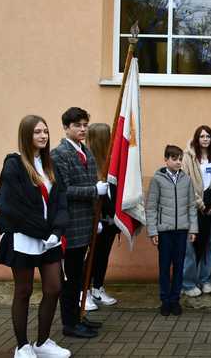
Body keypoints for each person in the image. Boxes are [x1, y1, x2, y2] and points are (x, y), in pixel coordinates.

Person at [0, 115, 71, 358]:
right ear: (27, 134)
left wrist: (57, 231)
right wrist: (43, 231)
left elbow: (60, 202)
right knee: (23, 291)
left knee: (53, 287)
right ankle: (22, 346)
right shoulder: (14, 165)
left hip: (49, 238)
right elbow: (11, 205)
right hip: (24, 237)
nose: (43, 136)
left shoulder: (51, 165)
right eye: (37, 132)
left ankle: (43, 342)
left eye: (45, 132)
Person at [51, 107, 106, 338]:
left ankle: (79, 315)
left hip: (87, 224)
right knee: (71, 278)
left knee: (82, 275)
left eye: (85, 125)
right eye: (77, 125)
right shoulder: (58, 154)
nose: (82, 129)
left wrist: (98, 218)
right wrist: (94, 190)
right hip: (71, 227)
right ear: (66, 128)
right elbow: (64, 190)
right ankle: (70, 324)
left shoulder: (86, 151)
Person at [146, 145, 198, 317]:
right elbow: (151, 207)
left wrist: (193, 229)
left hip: (181, 230)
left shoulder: (186, 180)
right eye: (174, 158)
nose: (178, 162)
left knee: (179, 265)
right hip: (164, 231)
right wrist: (153, 231)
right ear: (166, 160)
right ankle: (165, 300)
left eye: (180, 158)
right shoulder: (157, 179)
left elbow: (191, 206)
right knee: (164, 266)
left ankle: (175, 300)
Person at [181, 125, 211, 297]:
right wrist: (199, 203)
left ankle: (205, 280)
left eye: (208, 136)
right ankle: (188, 283)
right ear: (196, 139)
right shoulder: (188, 157)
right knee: (191, 245)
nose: (205, 139)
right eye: (201, 136)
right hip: (193, 208)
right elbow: (186, 181)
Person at [86, 123, 119, 308]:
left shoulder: (111, 161)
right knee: (90, 256)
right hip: (94, 221)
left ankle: (98, 287)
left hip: (109, 221)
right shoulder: (89, 162)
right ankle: (86, 291)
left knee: (103, 255)